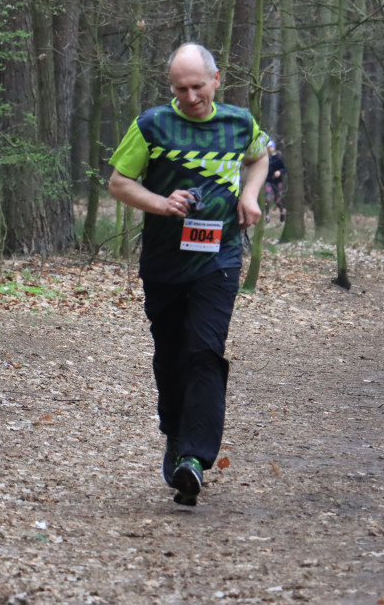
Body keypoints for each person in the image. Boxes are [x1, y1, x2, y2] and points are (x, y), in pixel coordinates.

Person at [108, 43, 269, 506]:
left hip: (219, 259)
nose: (190, 96)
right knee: (171, 352)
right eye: (180, 88)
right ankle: (174, 434)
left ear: (216, 81)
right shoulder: (152, 125)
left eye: (198, 86)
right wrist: (163, 204)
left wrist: (251, 196)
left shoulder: (240, 122)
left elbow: (260, 156)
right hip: (164, 261)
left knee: (205, 350)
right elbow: (119, 182)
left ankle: (195, 458)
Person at [264, 140, 287, 223]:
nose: (269, 149)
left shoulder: (278, 158)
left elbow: (284, 168)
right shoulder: (265, 158)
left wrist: (279, 172)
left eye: (271, 147)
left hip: (277, 181)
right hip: (268, 181)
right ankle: (267, 215)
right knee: (267, 198)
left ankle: (282, 211)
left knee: (278, 199)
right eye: (268, 147)